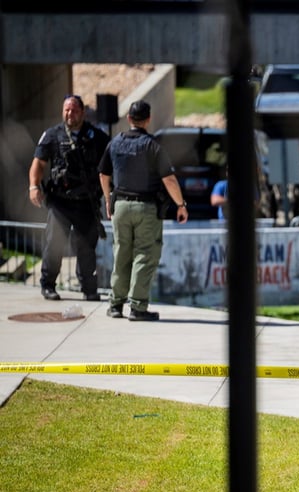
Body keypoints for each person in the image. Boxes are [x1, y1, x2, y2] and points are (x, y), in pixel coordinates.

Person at [98, 100, 189, 322]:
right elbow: (168, 179)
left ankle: (116, 305)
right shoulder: (153, 146)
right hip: (146, 208)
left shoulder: (115, 143)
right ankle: (138, 307)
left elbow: (103, 174)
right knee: (144, 255)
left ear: (128, 118)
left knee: (121, 254)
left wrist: (109, 201)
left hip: (120, 206)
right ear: (148, 119)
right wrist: (181, 205)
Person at [28, 94, 110, 301]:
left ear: (82, 112)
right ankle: (48, 285)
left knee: (86, 248)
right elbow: (38, 163)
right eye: (66, 109)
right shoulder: (52, 135)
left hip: (86, 203)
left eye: (74, 110)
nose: (69, 113)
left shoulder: (97, 136)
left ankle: (89, 289)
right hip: (60, 203)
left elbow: (109, 166)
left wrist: (110, 195)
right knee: (54, 244)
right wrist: (33, 186)